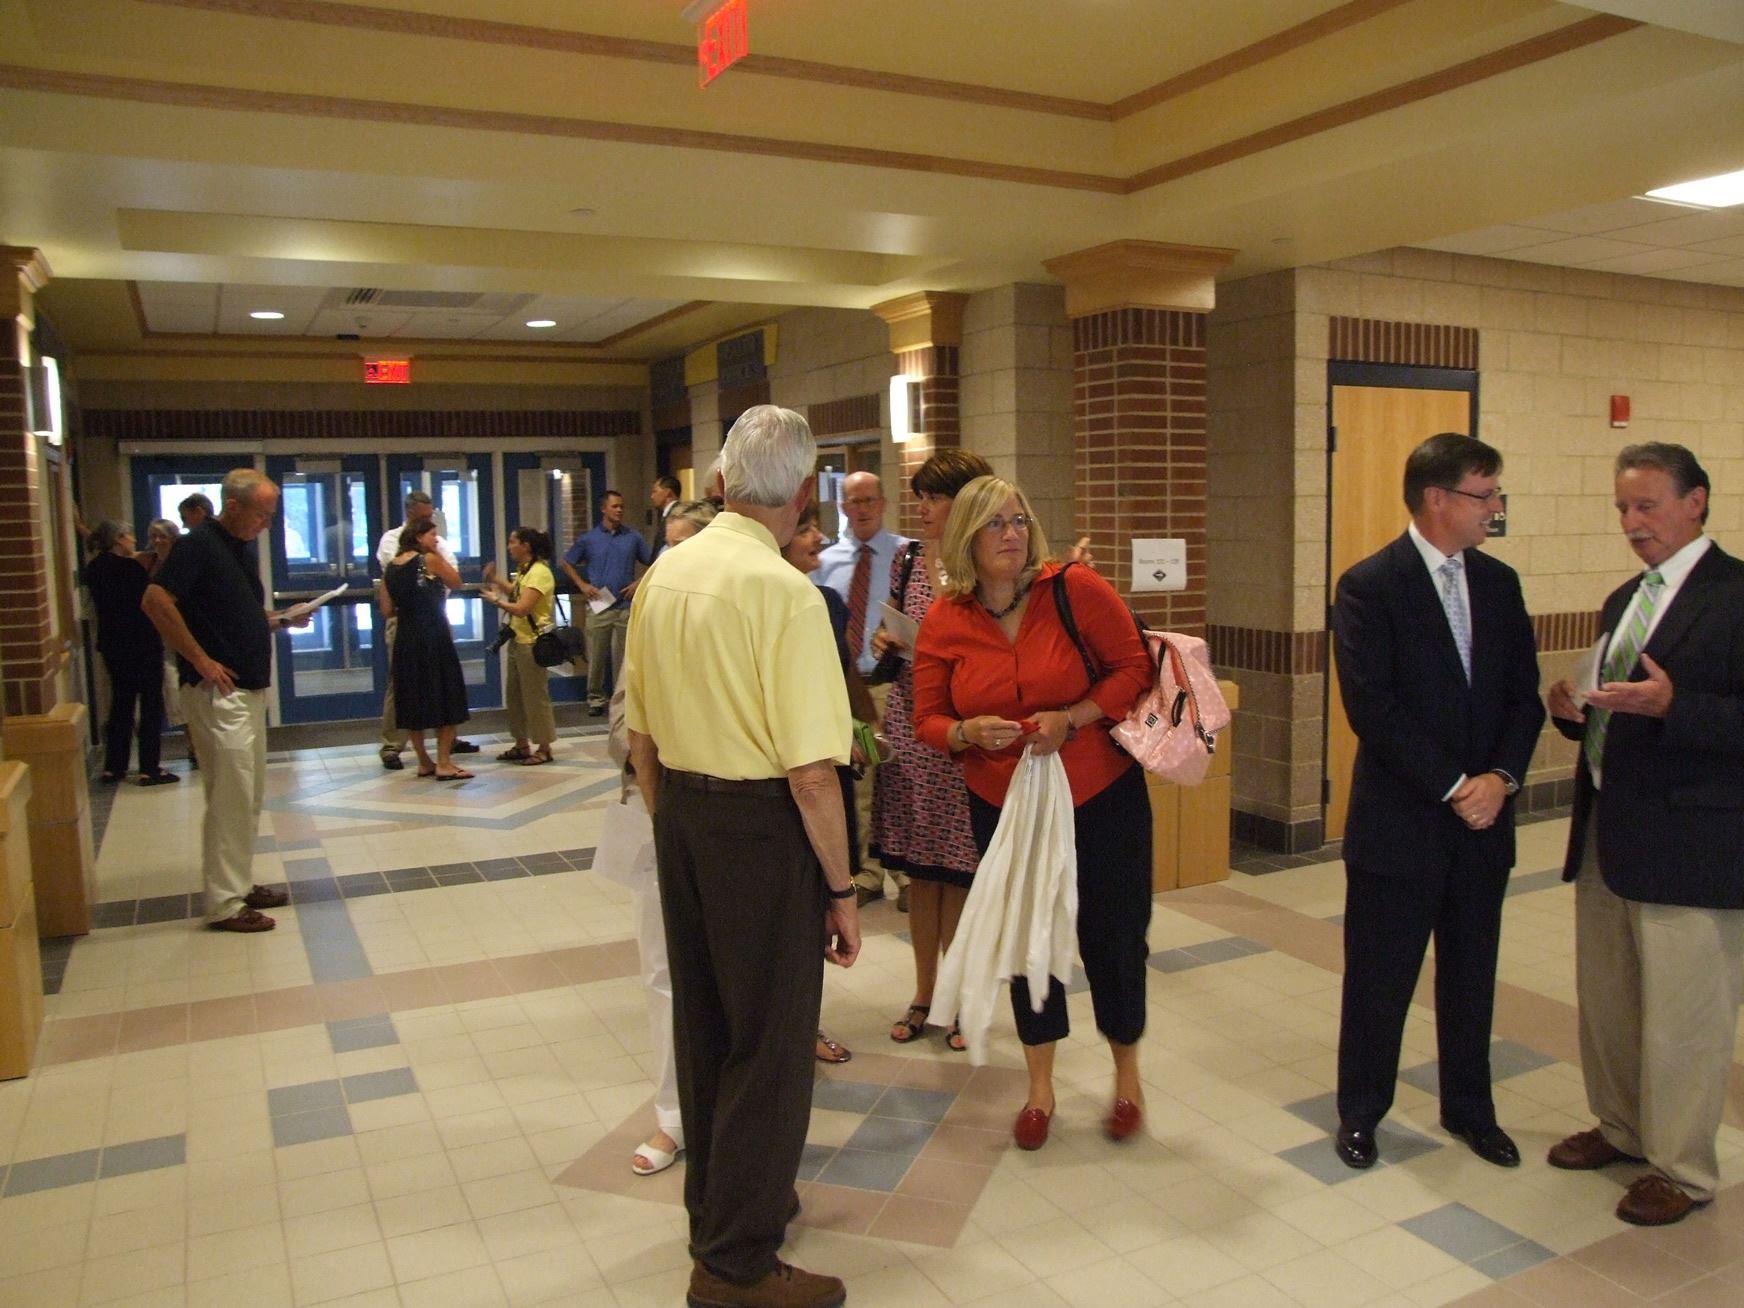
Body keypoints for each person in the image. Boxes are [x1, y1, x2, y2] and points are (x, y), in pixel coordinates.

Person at [624, 404, 858, 1308]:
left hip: (682, 812)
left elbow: (640, 742)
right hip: (761, 832)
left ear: (720, 483)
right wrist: (839, 888)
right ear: (803, 494)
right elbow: (811, 774)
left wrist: (674, 825)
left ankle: (721, 1210)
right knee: (771, 1044)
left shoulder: (666, 574)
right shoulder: (785, 596)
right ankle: (737, 1266)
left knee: (708, 1029)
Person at [912, 475, 1153, 1151]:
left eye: (1019, 520)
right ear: (967, 538)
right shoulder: (946, 619)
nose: (1012, 534)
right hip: (1005, 802)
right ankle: (1040, 1089)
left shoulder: (1076, 590)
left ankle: (1127, 1078)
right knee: (1030, 942)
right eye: (995, 524)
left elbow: (1133, 668)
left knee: (1115, 932)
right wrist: (967, 733)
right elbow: (927, 717)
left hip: (1100, 794)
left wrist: (1071, 718)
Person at [1328, 433, 1544, 1172]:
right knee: (1379, 979)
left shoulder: (1500, 583)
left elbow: (1524, 697)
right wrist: (1457, 787)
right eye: (1486, 496)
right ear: (1437, 500)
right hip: (1402, 826)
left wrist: (1502, 781)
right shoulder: (1369, 587)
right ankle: (1361, 1113)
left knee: (1472, 975)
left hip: (1484, 828)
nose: (1496, 509)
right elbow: (1374, 710)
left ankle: (1470, 1110)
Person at [1544, 442, 1744, 1227]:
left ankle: (1683, 1168)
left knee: (1684, 1016)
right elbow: (1620, 706)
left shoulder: (1735, 595)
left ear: (1696, 501)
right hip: (1608, 832)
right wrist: (1578, 717)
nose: (1632, 522)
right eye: (1623, 508)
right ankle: (1622, 1129)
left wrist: (1675, 709)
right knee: (1611, 1001)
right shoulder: (1626, 598)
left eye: (1648, 506)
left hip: (1693, 844)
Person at [142, 469, 306, 932]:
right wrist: (200, 658)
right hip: (219, 693)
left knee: (247, 795)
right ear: (233, 506)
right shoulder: (196, 546)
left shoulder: (236, 550)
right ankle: (225, 903)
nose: (267, 524)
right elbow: (155, 601)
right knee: (230, 796)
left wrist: (275, 621)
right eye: (262, 514)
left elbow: (228, 614)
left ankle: (237, 881)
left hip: (248, 691)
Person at [869, 450, 990, 1052]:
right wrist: (886, 641)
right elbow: (892, 645)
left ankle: (961, 998)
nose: (923, 509)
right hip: (914, 721)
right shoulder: (909, 558)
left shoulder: (986, 563)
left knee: (961, 872)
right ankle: (923, 992)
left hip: (967, 732)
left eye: (934, 498)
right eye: (920, 497)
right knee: (922, 875)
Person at [813, 470, 912, 907]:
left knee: (903, 777)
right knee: (864, 781)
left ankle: (906, 870)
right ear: (842, 507)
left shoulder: (908, 555)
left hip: (899, 683)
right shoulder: (827, 562)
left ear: (884, 503)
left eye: (870, 500)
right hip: (852, 687)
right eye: (854, 502)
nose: (863, 509)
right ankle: (869, 871)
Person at [374, 491, 476, 768]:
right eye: (426, 523)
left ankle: (426, 758)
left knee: (415, 686)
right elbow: (455, 579)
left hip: (410, 625)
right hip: (427, 628)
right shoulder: (401, 545)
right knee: (429, 687)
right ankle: (410, 750)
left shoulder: (394, 568)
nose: (434, 534)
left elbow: (386, 606)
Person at [85, 520, 176, 786]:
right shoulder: (131, 569)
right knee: (150, 704)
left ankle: (114, 767)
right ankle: (149, 767)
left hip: (113, 644)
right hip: (142, 642)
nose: (135, 541)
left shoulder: (94, 569)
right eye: (130, 536)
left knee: (121, 704)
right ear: (118, 539)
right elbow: (149, 603)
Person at [563, 488, 652, 717]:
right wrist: (582, 585)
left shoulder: (632, 537)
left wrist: (639, 582)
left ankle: (624, 698)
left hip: (624, 606)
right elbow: (566, 562)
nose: (619, 510)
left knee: (625, 656)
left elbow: (655, 562)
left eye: (622, 506)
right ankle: (595, 698)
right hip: (600, 605)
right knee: (597, 655)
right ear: (604, 508)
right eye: (615, 506)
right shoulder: (589, 539)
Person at [481, 527, 558, 767]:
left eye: (513, 541)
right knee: (515, 697)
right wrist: (495, 580)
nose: (509, 546)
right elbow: (516, 592)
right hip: (518, 641)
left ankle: (544, 747)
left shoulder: (539, 573)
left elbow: (523, 607)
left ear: (526, 545)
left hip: (533, 644)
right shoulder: (524, 571)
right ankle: (521, 743)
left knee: (535, 698)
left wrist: (496, 602)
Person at [650, 473, 681, 557]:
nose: (652, 496)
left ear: (668, 493)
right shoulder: (668, 515)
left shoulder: (677, 515)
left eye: (655, 491)